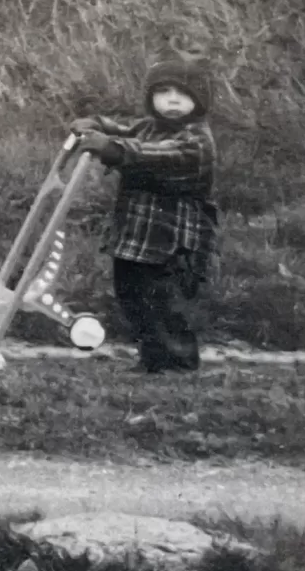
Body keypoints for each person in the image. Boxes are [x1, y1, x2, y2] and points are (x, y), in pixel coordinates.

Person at [70, 55, 220, 374]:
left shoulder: (195, 140)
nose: (173, 100)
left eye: (183, 94)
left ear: (199, 100)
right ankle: (152, 359)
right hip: (136, 238)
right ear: (152, 99)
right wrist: (97, 125)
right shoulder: (149, 127)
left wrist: (113, 149)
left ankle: (177, 363)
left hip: (172, 242)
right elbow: (126, 131)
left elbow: (154, 155)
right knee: (134, 299)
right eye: (164, 93)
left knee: (166, 304)